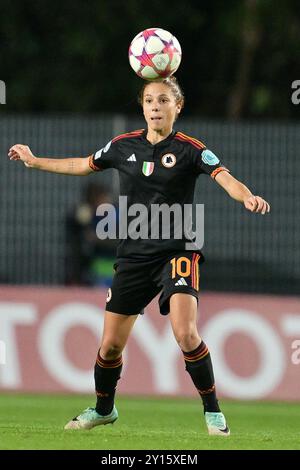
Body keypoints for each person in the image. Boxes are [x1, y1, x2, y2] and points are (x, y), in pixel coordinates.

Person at [9, 76, 270, 437]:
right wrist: (36, 162)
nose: (155, 107)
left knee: (185, 333)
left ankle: (213, 414)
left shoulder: (191, 149)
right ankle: (104, 409)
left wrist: (248, 197)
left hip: (178, 252)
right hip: (133, 256)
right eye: (149, 100)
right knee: (110, 346)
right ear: (142, 106)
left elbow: (225, 177)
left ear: (177, 107)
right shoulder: (122, 146)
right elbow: (83, 164)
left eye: (163, 100)